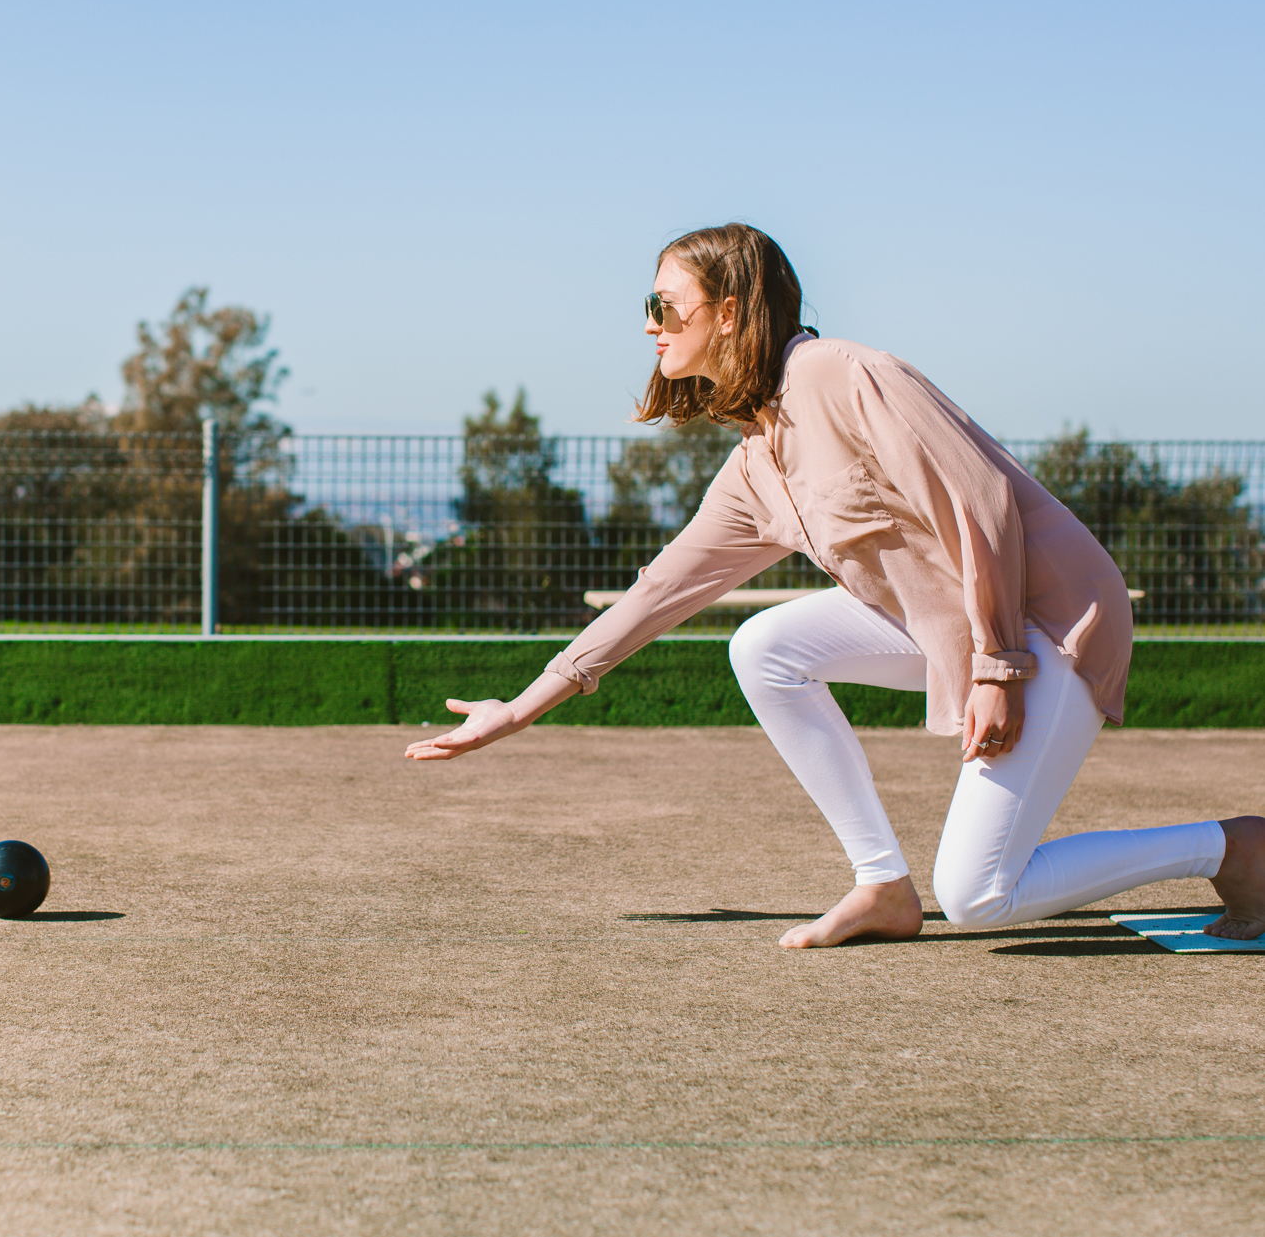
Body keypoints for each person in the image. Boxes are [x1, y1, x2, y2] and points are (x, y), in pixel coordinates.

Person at [405, 222, 1265, 948]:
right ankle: (882, 884)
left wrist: (1000, 667)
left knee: (978, 896)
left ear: (730, 311)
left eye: (664, 305)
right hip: (959, 630)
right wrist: (520, 707)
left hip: (1050, 621)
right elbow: (658, 593)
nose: (650, 325)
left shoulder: (841, 374)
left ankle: (1234, 849)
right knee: (764, 646)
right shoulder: (757, 462)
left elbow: (983, 500)